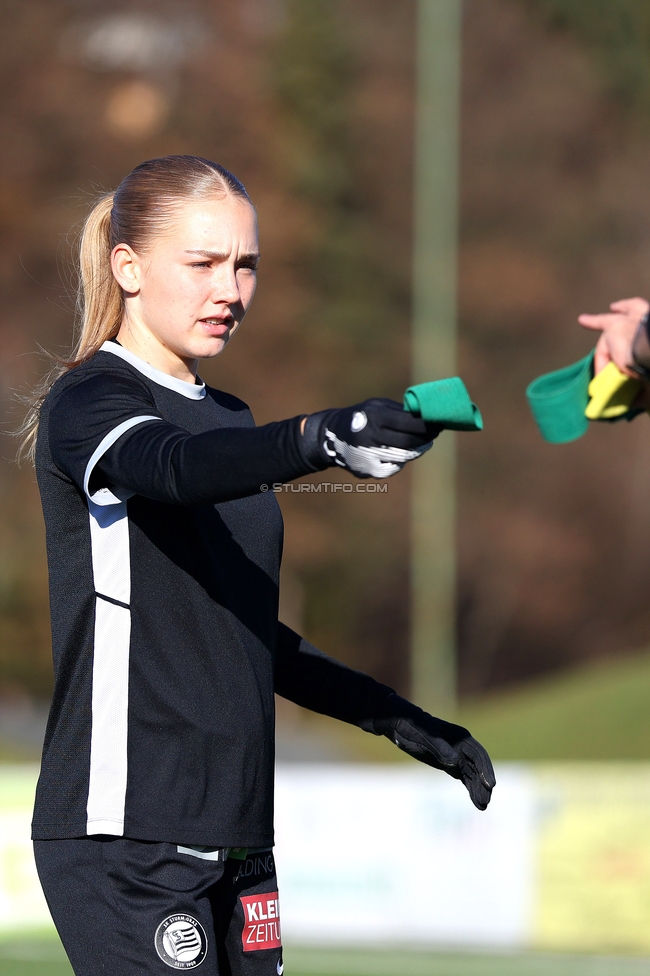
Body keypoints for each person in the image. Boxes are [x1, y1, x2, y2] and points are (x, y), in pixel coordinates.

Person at [22, 155, 495, 976]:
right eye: (202, 263)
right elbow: (170, 466)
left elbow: (242, 626)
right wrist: (317, 439)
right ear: (127, 268)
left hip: (240, 831)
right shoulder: (90, 401)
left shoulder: (230, 420)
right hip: (125, 834)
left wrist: (397, 718)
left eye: (245, 266)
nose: (230, 290)